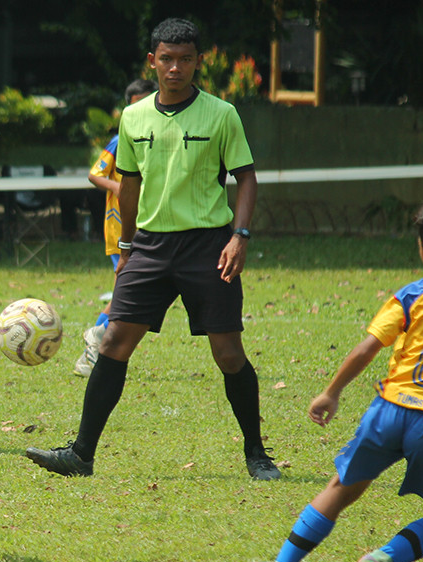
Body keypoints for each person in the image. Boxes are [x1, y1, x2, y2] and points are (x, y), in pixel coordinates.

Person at [25, 18, 279, 481]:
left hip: (208, 245)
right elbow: (129, 184)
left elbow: (245, 177)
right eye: (167, 59)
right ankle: (81, 454)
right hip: (149, 247)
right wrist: (124, 247)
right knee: (114, 342)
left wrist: (239, 236)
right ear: (152, 61)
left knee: (228, 354)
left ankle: (257, 454)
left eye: (185, 59)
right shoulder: (133, 117)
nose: (175, 68)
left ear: (199, 61)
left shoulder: (222, 115)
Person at [237, 197, 423, 562]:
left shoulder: (414, 294)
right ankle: (381, 560)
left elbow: (368, 348)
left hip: (390, 409)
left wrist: (331, 392)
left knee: (340, 487)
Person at [73, 78, 158, 378]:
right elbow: (95, 174)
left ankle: (94, 345)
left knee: (127, 292)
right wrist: (119, 187)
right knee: (125, 293)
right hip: (120, 228)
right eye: (137, 104)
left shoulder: (155, 136)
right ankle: (96, 340)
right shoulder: (121, 139)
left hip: (149, 225)